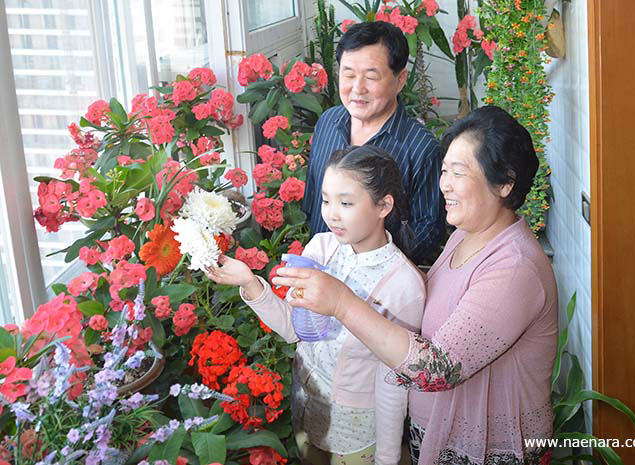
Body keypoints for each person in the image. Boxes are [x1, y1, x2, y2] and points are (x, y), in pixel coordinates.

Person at [273, 106, 559, 465]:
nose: (445, 185)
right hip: (436, 434)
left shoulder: (514, 267)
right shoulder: (467, 234)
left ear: (504, 183)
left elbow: (437, 368)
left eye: (459, 173)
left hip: (487, 449)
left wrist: (342, 303)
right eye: (444, 171)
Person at [206, 145, 426, 465]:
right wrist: (249, 282)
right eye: (325, 200)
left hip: (357, 436)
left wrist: (387, 458)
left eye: (346, 202)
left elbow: (393, 382)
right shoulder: (321, 248)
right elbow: (296, 330)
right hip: (306, 413)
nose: (332, 213)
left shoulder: (403, 285)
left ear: (384, 205)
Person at [302, 21, 444, 264]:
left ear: (400, 80)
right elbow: (314, 203)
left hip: (380, 289)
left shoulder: (421, 149)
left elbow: (427, 235)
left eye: (371, 76)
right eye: (348, 74)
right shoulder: (328, 123)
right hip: (321, 270)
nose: (357, 88)